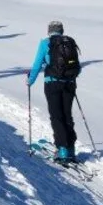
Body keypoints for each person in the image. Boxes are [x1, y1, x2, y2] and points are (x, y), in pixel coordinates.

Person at [27, 20, 83, 164]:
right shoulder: (69, 42)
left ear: (49, 31)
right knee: (67, 116)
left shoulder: (46, 43)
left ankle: (62, 149)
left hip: (52, 83)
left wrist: (30, 80)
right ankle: (71, 149)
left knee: (56, 116)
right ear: (62, 31)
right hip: (69, 84)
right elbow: (77, 66)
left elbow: (38, 63)